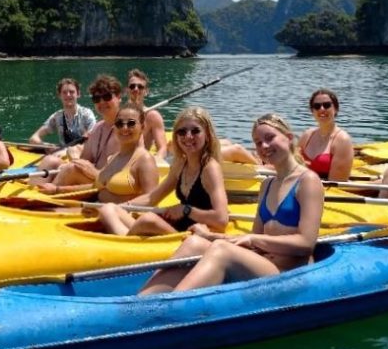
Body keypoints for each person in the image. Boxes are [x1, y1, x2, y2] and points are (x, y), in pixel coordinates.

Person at [139, 113, 324, 294]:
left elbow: (306, 243)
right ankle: (141, 303)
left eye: (270, 138)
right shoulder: (267, 185)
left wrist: (251, 239)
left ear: (289, 138)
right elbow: (255, 240)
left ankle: (169, 310)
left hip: (288, 272)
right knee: (195, 242)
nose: (264, 146)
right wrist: (210, 237)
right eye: (258, 142)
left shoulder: (307, 180)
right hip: (263, 262)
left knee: (222, 250)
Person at [96, 106, 230, 236]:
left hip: (198, 234)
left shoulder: (210, 168)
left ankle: (126, 242)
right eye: (182, 132)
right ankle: (127, 239)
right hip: (180, 226)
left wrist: (186, 210)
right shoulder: (181, 163)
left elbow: (222, 220)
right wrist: (125, 207)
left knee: (148, 220)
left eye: (195, 131)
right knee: (109, 209)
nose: (188, 136)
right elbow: (152, 197)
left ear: (207, 135)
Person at [34, 74, 123, 191]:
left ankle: (41, 196)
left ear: (118, 97)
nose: (101, 102)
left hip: (108, 183)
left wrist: (58, 188)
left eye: (107, 97)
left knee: (70, 169)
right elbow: (84, 160)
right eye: (96, 99)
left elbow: (121, 177)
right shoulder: (97, 128)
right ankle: (31, 191)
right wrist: (74, 156)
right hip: (94, 176)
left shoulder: (126, 129)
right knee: (50, 160)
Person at [27, 78, 97, 172]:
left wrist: (67, 151)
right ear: (59, 95)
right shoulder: (57, 117)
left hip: (82, 156)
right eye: (64, 92)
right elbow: (33, 139)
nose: (68, 95)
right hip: (62, 157)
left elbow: (93, 141)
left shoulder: (87, 114)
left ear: (78, 94)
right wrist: (46, 145)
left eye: (71, 92)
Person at [297, 89, 354, 181]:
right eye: (317, 106)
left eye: (327, 105)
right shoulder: (307, 135)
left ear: (335, 109)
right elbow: (292, 166)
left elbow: (336, 183)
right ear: (312, 111)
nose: (322, 109)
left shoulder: (342, 140)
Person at [126, 69, 169, 161]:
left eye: (140, 87)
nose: (136, 89)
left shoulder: (152, 116)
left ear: (146, 91)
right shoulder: (119, 114)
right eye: (132, 86)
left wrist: (154, 162)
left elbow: (163, 149)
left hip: (139, 163)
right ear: (127, 90)